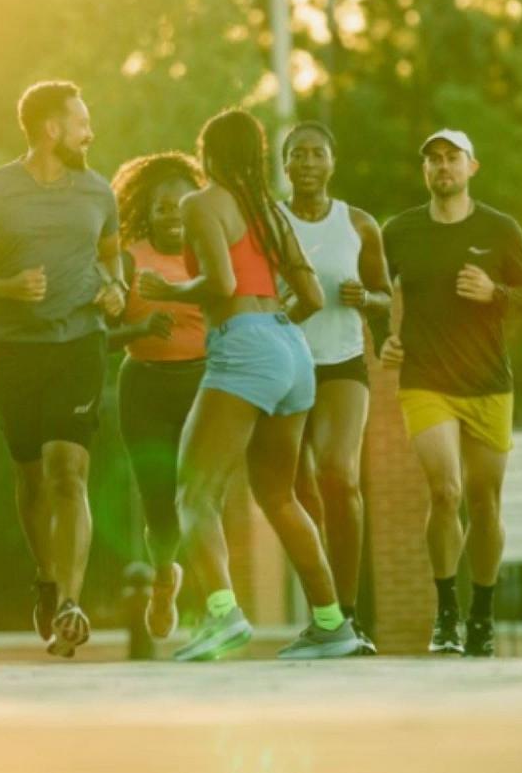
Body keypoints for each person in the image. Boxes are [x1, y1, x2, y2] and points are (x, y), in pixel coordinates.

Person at [139, 108, 364, 662]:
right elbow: (310, 297)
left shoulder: (202, 203)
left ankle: (222, 617)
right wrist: (270, 324)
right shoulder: (270, 211)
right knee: (280, 495)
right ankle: (333, 625)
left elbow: (220, 282)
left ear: (209, 152)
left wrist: (162, 290)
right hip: (292, 347)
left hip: (243, 345)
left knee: (193, 492)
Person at [0, 81, 125, 658]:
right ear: (52, 128)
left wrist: (116, 287)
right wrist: (7, 288)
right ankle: (46, 578)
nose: (89, 133)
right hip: (12, 348)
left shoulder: (99, 191)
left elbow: (112, 258)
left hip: (79, 344)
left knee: (68, 470)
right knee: (30, 476)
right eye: (81, 121)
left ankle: (71, 601)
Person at [380, 130, 522, 658]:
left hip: (488, 383)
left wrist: (494, 292)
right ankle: (446, 612)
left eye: (452, 158)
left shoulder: (499, 229)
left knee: (484, 500)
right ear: (425, 170)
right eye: (433, 159)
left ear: (473, 167)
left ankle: (482, 615)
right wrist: (383, 337)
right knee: (445, 490)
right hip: (426, 382)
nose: (442, 166)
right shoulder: (399, 231)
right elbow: (376, 294)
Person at [279, 122, 390, 654]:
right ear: (284, 165)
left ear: (332, 163)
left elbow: (388, 300)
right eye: (296, 154)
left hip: (343, 363)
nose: (306, 162)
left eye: (316, 153)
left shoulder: (360, 225)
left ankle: (348, 615)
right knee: (298, 495)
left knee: (339, 477)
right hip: (283, 365)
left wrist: (366, 298)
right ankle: (323, 616)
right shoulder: (269, 222)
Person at [106, 151, 208, 641]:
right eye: (162, 206)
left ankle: (216, 605)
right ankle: (164, 578)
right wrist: (141, 326)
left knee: (202, 500)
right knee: (160, 508)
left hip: (206, 387)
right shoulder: (128, 258)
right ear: (146, 211)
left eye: (182, 205)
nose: (172, 214)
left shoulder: (211, 256)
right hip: (143, 388)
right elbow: (98, 335)